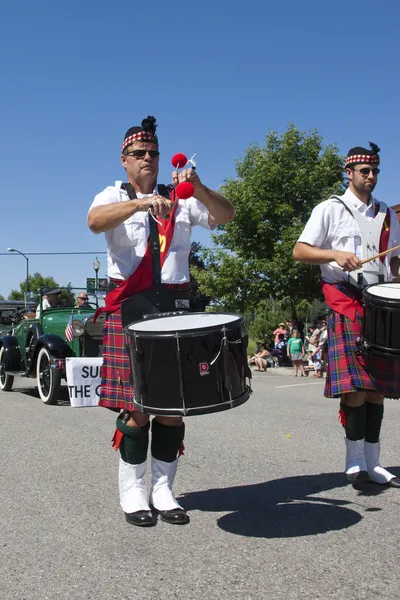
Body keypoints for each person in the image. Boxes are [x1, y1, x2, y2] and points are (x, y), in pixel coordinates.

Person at [87, 115, 235, 527]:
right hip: (131, 307)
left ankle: (163, 489)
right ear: (124, 160)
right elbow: (94, 222)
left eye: (153, 152)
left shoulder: (183, 197)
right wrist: (140, 204)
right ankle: (133, 493)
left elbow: (226, 216)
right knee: (137, 409)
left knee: (173, 408)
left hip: (175, 308)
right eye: (139, 153)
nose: (148, 158)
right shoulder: (111, 194)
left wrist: (200, 187)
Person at [293, 142, 400, 487]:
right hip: (345, 300)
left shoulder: (387, 212)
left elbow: (391, 262)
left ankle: (374, 461)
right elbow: (300, 251)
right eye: (364, 171)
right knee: (355, 389)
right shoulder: (330, 208)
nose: (371, 177)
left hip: (381, 304)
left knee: (378, 389)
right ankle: (354, 461)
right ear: (349, 173)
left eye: (375, 172)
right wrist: (335, 255)